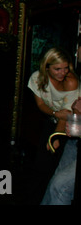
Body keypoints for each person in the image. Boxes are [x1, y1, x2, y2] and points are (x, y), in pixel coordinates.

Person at [27, 47, 80, 204]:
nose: (62, 73)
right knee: (41, 166)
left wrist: (55, 137)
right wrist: (55, 116)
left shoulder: (71, 81)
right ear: (46, 66)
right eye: (57, 69)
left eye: (66, 68)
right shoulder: (37, 78)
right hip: (54, 121)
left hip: (73, 126)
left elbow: (67, 115)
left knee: (58, 176)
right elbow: (41, 104)